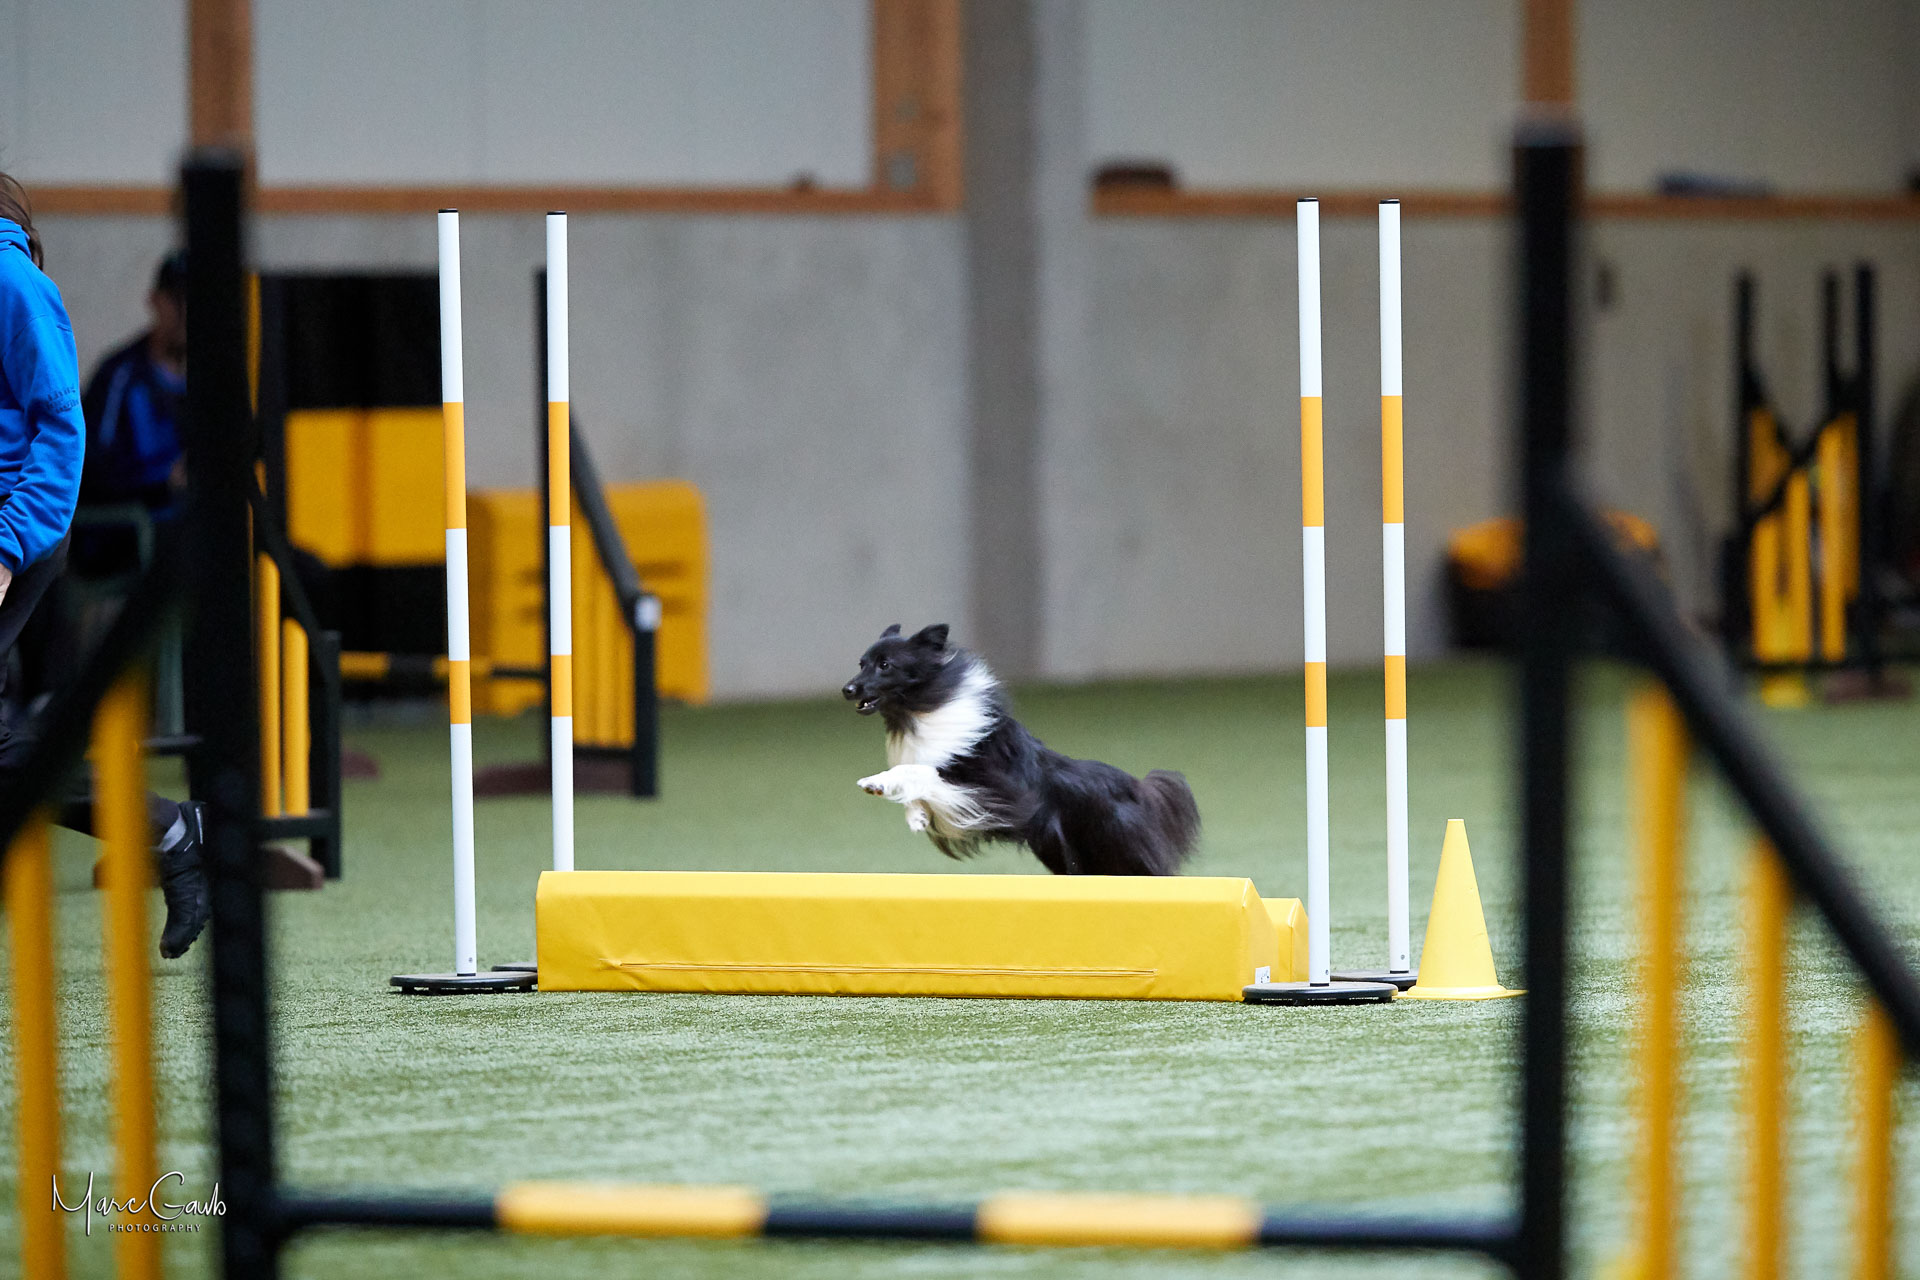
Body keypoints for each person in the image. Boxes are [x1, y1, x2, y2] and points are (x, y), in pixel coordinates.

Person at [0, 173, 208, 957]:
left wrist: (8, 545)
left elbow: (63, 427)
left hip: (17, 525)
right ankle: (172, 831)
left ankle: (172, 830)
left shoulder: (13, 282)